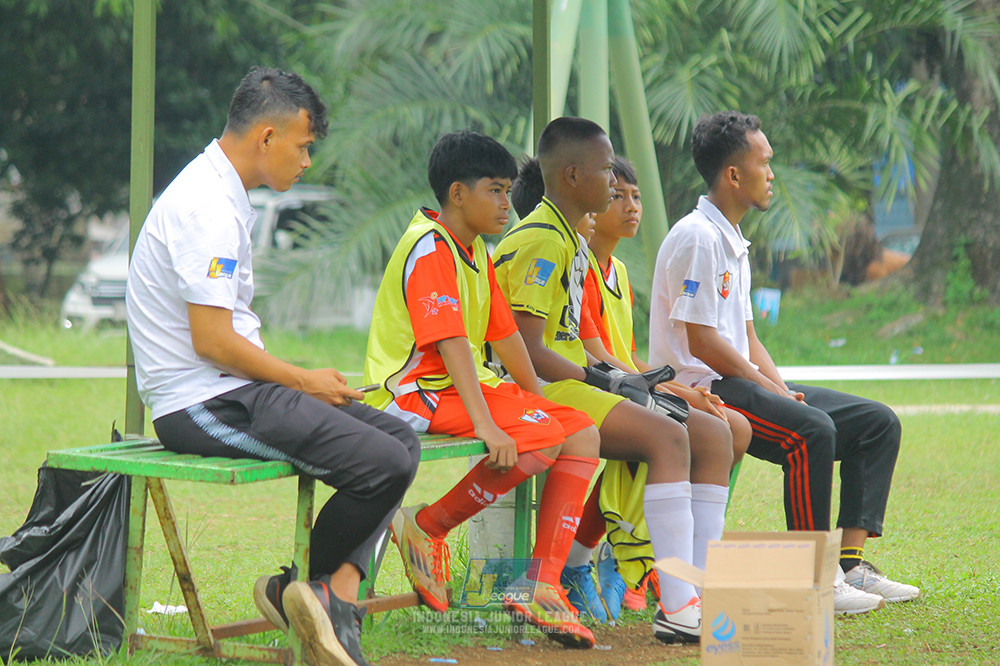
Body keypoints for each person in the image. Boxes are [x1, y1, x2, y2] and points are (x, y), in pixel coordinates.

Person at [125, 67, 419, 666]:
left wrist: (299, 382)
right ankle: (319, 602)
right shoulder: (207, 207)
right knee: (384, 462)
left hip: (239, 390)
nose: (307, 161)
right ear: (266, 137)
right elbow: (212, 341)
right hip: (201, 403)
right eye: (303, 147)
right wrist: (303, 379)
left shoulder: (222, 192)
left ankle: (322, 598)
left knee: (400, 441)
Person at [648, 110, 920, 616]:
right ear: (734, 174)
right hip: (704, 389)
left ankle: (850, 565)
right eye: (765, 162)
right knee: (811, 432)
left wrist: (777, 385)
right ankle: (813, 580)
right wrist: (767, 387)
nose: (772, 174)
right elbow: (702, 343)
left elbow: (747, 336)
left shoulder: (732, 238)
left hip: (739, 380)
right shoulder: (697, 237)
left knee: (877, 423)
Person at [494, 117, 735, 644]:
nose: (614, 182)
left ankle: (700, 590)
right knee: (668, 436)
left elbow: (578, 342)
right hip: (535, 388)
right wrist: (604, 381)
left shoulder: (570, 239)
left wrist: (619, 377)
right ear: (572, 175)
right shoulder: (542, 239)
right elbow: (529, 353)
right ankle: (678, 605)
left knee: (714, 435)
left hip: (572, 380)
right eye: (607, 171)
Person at [362, 130, 601, 648]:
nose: (505, 204)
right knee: (544, 438)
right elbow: (450, 344)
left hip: (460, 388)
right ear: (457, 193)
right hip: (414, 394)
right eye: (494, 190)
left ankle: (541, 584)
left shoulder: (473, 251)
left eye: (507, 190)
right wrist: (489, 425)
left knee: (581, 433)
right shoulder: (430, 248)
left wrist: (538, 398)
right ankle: (428, 526)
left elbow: (506, 335)